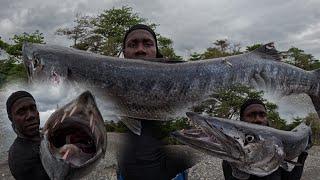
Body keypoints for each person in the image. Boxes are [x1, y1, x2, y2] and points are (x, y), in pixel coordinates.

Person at [117, 24, 189, 180]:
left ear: (156, 50)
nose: (140, 50)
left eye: (147, 44)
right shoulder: (111, 87)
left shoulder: (178, 83)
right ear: (124, 53)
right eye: (133, 44)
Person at [222, 99, 308, 180]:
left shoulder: (276, 150)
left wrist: (302, 158)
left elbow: (290, 178)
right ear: (241, 120)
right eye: (251, 115)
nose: (258, 119)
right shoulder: (232, 157)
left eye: (262, 115)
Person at [6, 91, 50, 180]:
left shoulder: (40, 137)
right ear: (11, 119)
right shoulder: (19, 157)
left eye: (33, 108)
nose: (31, 115)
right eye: (21, 112)